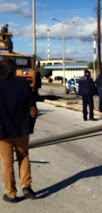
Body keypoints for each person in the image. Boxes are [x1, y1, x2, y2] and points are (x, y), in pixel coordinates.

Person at [0, 59, 37, 203]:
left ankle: (11, 194)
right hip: (22, 130)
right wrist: (29, 125)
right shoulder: (24, 85)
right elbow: (33, 110)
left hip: (2, 131)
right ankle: (26, 185)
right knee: (23, 156)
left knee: (6, 162)